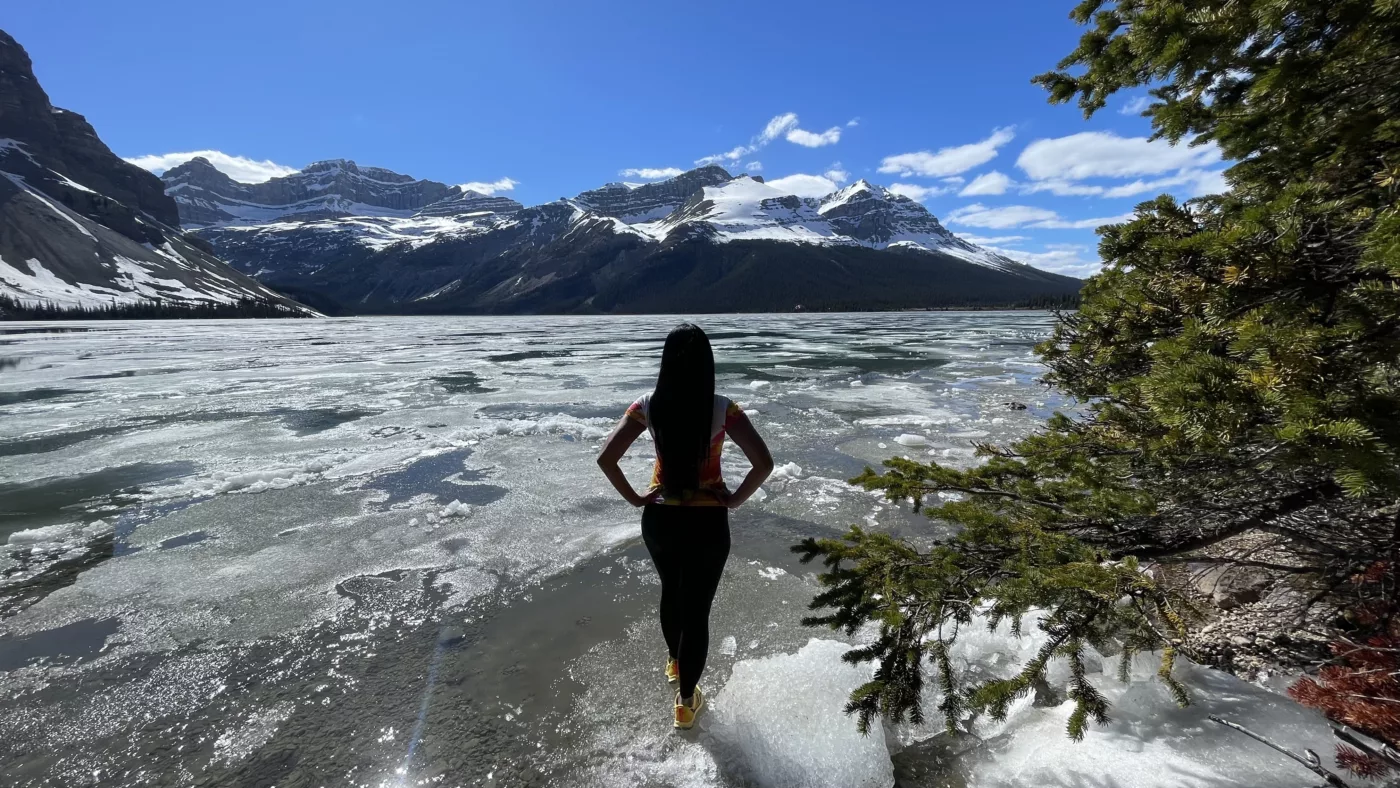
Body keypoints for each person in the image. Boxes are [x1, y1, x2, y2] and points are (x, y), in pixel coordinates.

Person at [596, 323, 774, 730]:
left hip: (660, 519)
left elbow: (607, 458)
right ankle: (687, 701)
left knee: (671, 594)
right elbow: (763, 464)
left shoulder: (646, 405)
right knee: (697, 612)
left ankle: (676, 665)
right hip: (707, 521)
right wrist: (735, 498)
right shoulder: (722, 409)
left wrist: (637, 498)